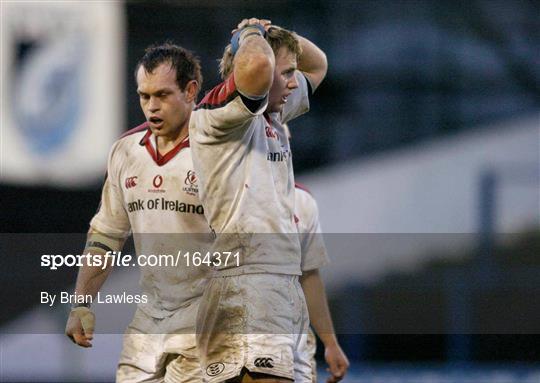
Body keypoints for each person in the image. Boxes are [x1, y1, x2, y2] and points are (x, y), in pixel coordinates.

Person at [189, 18, 328, 383]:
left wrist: (278, 33)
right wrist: (248, 33)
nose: (295, 82)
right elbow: (258, 66)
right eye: (286, 73)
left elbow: (318, 64)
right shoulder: (224, 113)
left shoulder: (274, 110)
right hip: (250, 278)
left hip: (277, 280)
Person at [65, 42, 212, 383]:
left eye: (162, 95)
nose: (152, 107)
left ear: (191, 91)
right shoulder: (125, 151)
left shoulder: (217, 151)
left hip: (207, 320)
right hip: (149, 319)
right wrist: (81, 304)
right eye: (144, 96)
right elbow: (105, 235)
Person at [294, 182, 350, 383]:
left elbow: (308, 274)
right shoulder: (224, 192)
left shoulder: (301, 199)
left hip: (291, 341)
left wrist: (330, 342)